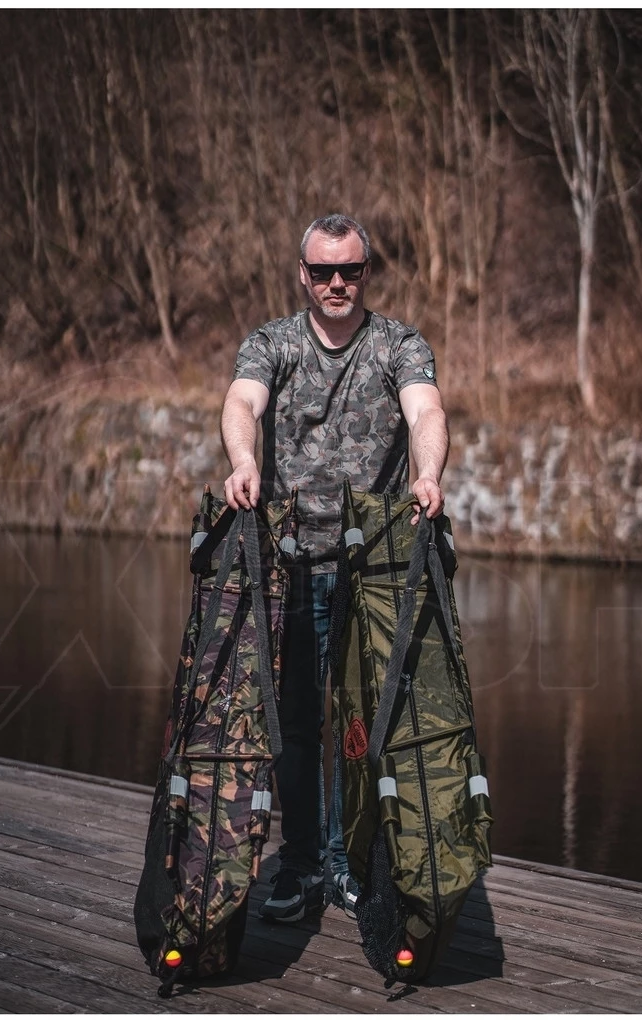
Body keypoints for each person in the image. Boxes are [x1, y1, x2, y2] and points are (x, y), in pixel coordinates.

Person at [220, 213, 448, 923]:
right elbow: (242, 399)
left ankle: (346, 862)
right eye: (323, 271)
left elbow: (426, 411)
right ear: (304, 275)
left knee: (359, 726)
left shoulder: (398, 345)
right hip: (289, 566)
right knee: (293, 727)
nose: (337, 283)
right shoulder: (274, 343)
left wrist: (427, 473)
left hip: (369, 571)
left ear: (366, 272)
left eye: (349, 270)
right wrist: (244, 460)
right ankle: (298, 865)